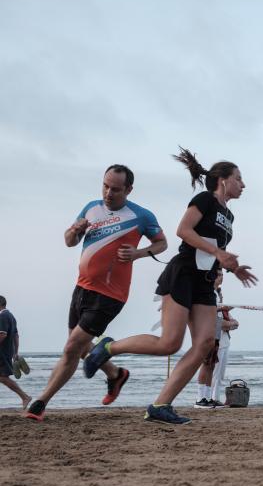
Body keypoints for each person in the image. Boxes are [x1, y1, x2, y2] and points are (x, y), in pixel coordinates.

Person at [83, 148, 257, 425]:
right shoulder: (205, 200)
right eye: (238, 178)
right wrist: (219, 255)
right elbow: (183, 231)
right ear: (223, 180)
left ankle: (161, 406)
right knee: (169, 343)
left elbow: (214, 249)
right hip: (183, 273)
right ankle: (108, 348)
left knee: (204, 345)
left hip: (204, 282)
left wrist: (232, 266)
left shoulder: (229, 216)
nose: (243, 184)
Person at [25, 165, 167, 421]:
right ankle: (115, 374)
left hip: (110, 294)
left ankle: (40, 402)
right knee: (79, 349)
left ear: (128, 189)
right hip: (81, 288)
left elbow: (162, 243)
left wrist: (137, 254)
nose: (108, 193)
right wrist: (75, 230)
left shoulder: (141, 215)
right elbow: (69, 241)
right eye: (105, 186)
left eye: (115, 189)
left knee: (71, 347)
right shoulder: (91, 207)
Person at [195, 272, 239, 409]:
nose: (221, 277)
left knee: (212, 367)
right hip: (209, 334)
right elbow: (206, 313)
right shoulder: (207, 293)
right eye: (218, 274)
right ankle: (201, 398)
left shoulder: (216, 293)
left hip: (219, 337)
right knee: (207, 365)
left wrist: (226, 315)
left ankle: (208, 398)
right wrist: (223, 309)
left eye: (221, 274)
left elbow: (224, 318)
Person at [0, 296, 31, 409]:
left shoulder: (2, 316)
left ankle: (24, 397)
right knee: (2, 377)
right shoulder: (11, 317)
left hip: (2, 353)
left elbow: (2, 334)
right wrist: (15, 352)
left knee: (2, 377)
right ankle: (24, 397)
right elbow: (16, 336)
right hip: (8, 351)